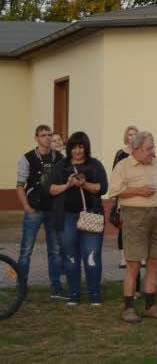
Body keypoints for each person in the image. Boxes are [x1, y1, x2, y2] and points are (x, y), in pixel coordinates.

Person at [108, 131, 157, 323]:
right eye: (149, 148)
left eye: (153, 147)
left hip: (155, 216)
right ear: (136, 149)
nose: (153, 152)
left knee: (154, 260)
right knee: (134, 263)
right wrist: (139, 191)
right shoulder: (123, 166)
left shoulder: (156, 164)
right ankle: (128, 308)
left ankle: (150, 306)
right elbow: (114, 192)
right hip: (134, 217)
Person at [47, 131, 107, 306]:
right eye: (74, 147)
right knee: (70, 256)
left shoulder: (95, 165)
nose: (77, 151)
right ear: (69, 148)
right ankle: (74, 294)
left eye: (81, 147)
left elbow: (102, 188)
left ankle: (94, 294)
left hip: (91, 215)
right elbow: (50, 189)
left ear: (86, 148)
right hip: (67, 217)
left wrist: (84, 184)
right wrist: (67, 185)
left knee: (91, 256)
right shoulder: (60, 166)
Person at [14, 124, 66, 300]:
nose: (47, 138)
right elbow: (20, 186)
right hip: (34, 210)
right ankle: (21, 287)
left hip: (53, 210)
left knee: (55, 251)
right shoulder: (27, 158)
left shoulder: (59, 158)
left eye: (49, 134)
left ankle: (56, 288)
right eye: (43, 135)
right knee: (26, 250)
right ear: (36, 138)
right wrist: (26, 207)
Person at [111, 125, 138, 268]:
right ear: (126, 137)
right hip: (124, 194)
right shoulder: (121, 153)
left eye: (135, 134)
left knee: (139, 226)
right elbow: (115, 172)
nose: (132, 136)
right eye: (130, 134)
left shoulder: (142, 152)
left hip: (139, 195)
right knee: (123, 226)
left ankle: (139, 256)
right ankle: (123, 257)